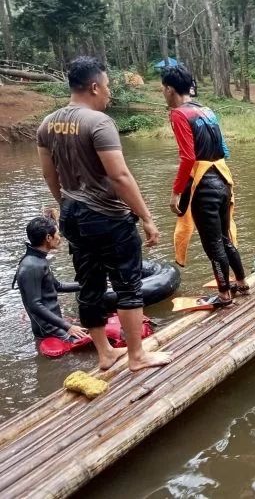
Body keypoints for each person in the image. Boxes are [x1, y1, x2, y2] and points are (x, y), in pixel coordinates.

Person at [37, 56, 170, 371]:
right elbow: (119, 176)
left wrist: (67, 203)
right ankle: (137, 356)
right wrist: (147, 218)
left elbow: (49, 175)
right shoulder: (98, 122)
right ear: (94, 87)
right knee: (128, 285)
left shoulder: (46, 124)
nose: (110, 93)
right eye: (108, 87)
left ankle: (106, 354)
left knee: (90, 285)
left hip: (72, 215)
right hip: (107, 217)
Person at [162, 65, 248, 307]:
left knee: (213, 243)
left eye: (163, 90)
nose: (163, 94)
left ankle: (223, 295)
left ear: (169, 89)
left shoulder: (179, 114)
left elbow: (188, 157)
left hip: (203, 186)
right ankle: (241, 283)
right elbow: (224, 149)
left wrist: (176, 192)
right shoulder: (206, 110)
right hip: (222, 178)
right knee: (225, 237)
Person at [13, 216, 88, 342]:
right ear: (48, 238)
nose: (60, 238)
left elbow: (58, 286)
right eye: (57, 234)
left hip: (56, 325)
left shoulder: (38, 260)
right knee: (96, 344)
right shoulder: (32, 266)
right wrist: (68, 327)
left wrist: (88, 284)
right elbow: (34, 305)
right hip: (49, 330)